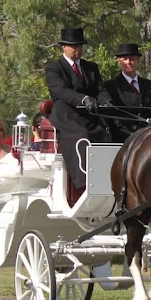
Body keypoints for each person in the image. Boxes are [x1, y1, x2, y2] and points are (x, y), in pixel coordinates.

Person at [44, 27, 111, 190]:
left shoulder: (91, 68)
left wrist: (106, 101)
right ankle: (84, 182)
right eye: (73, 46)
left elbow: (100, 89)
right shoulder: (54, 68)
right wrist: (84, 98)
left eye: (80, 46)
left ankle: (107, 179)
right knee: (82, 136)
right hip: (66, 115)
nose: (77, 50)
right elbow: (61, 91)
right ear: (64, 47)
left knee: (105, 134)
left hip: (88, 115)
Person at [102, 42, 151, 142]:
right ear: (119, 61)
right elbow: (114, 117)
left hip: (149, 136)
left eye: (132, 59)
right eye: (125, 59)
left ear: (138, 60)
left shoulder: (149, 85)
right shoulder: (112, 86)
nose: (128, 62)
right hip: (124, 137)